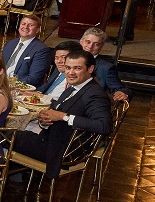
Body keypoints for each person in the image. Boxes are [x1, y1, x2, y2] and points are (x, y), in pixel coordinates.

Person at [10, 49, 113, 180]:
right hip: (53, 139)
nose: (70, 72)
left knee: (2, 134)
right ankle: (19, 176)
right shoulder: (75, 87)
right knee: (14, 130)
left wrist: (63, 116)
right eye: (68, 67)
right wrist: (45, 117)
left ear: (90, 69)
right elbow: (58, 110)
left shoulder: (95, 94)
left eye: (77, 68)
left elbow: (104, 126)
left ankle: (1, 179)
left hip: (62, 151)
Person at [79, 26, 129, 101]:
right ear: (81, 41)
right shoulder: (67, 59)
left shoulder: (106, 68)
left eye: (96, 44)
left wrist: (123, 93)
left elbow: (121, 89)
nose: (90, 46)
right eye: (88, 42)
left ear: (101, 46)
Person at [1, 15, 51, 85]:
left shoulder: (42, 50)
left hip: (18, 87)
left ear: (37, 30)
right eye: (23, 24)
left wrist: (10, 83)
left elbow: (33, 78)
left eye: (30, 25)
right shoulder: (10, 43)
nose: (25, 27)